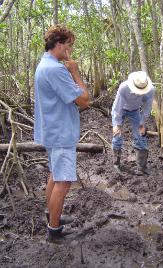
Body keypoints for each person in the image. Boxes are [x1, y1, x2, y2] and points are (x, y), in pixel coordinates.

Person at [34, 25, 90, 243]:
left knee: (55, 176)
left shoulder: (45, 63)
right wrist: (75, 71)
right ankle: (54, 231)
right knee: (64, 181)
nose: (71, 50)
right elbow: (84, 101)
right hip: (60, 133)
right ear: (59, 44)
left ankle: (52, 216)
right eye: (69, 45)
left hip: (51, 130)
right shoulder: (56, 69)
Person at [111, 71, 155, 175]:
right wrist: (117, 125)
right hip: (121, 109)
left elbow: (146, 108)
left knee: (141, 136)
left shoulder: (150, 90)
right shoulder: (124, 88)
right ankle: (116, 164)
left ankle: (142, 167)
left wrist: (142, 123)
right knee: (117, 136)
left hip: (135, 110)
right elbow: (117, 108)